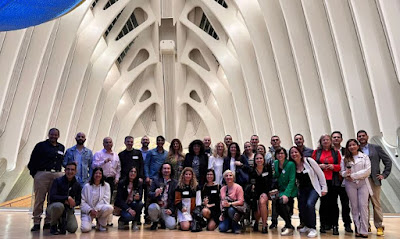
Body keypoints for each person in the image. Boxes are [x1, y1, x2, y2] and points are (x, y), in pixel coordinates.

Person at [28, 128, 65, 231]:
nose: (53, 136)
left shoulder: (61, 147)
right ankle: (36, 221)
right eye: (52, 134)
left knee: (52, 199)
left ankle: (48, 221)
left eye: (56, 135)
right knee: (39, 199)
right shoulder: (40, 146)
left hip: (56, 175)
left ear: (58, 136)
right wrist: (36, 174)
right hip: (42, 174)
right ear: (48, 134)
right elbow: (32, 160)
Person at [357, 130, 391, 236]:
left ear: (367, 136)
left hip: (374, 180)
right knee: (363, 205)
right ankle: (365, 225)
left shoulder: (376, 148)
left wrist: (384, 174)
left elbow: (388, 161)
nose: (361, 137)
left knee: (376, 204)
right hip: (361, 180)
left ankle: (379, 226)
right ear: (357, 138)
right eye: (359, 136)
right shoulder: (355, 149)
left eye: (363, 135)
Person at [290, 146, 327, 238]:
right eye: (292, 153)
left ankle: (313, 228)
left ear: (300, 153)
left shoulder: (309, 161)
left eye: (296, 152)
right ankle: (306, 225)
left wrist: (324, 188)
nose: (294, 154)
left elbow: (320, 174)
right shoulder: (292, 165)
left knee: (310, 204)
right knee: (302, 206)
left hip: (313, 188)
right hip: (302, 189)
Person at [341, 139, 372, 238]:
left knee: (363, 206)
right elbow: (342, 172)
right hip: (350, 184)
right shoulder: (344, 158)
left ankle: (364, 230)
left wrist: (353, 176)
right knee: (354, 207)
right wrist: (346, 173)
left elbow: (367, 171)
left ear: (358, 146)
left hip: (363, 183)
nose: (352, 147)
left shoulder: (364, 157)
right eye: (349, 145)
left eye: (354, 145)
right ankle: (358, 229)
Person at [312, 134, 341, 235]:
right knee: (323, 203)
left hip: (333, 181)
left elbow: (340, 166)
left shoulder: (336, 152)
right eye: (323, 140)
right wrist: (319, 166)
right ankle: (323, 225)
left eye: (327, 139)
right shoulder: (316, 152)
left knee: (333, 204)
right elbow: (312, 165)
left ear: (330, 141)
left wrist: (333, 166)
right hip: (321, 182)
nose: (325, 141)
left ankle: (335, 225)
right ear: (321, 142)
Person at [46, 162, 81, 235]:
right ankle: (53, 225)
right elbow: (52, 196)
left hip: (68, 209)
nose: (70, 172)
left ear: (75, 171)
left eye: (72, 170)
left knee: (73, 228)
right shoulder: (57, 181)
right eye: (68, 169)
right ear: (64, 171)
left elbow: (78, 200)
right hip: (54, 207)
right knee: (58, 206)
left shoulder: (77, 184)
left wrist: (74, 203)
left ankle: (61, 222)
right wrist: (67, 198)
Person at [92, 137, 121, 226]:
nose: (108, 144)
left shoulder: (116, 155)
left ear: (112, 143)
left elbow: (118, 168)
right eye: (106, 142)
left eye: (110, 142)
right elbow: (93, 165)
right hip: (100, 179)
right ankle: (94, 219)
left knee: (108, 199)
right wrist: (103, 162)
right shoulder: (98, 154)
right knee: (97, 199)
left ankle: (107, 220)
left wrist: (117, 178)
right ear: (103, 144)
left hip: (111, 180)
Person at [331, 131, 353, 233]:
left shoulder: (347, 151)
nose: (336, 139)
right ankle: (334, 225)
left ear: (341, 139)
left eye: (338, 137)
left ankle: (347, 224)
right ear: (331, 139)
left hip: (345, 181)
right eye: (334, 137)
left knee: (345, 204)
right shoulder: (329, 151)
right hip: (332, 181)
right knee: (333, 205)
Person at [80, 167, 113, 232]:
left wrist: (96, 210)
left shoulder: (106, 186)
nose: (98, 175)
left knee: (109, 208)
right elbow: (82, 202)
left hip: (99, 210)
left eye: (100, 173)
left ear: (102, 175)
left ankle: (101, 223)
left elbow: (106, 200)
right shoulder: (86, 186)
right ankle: (90, 223)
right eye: (96, 173)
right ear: (93, 174)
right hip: (88, 212)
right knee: (85, 229)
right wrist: (90, 210)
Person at [273, 147, 297, 236]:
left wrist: (286, 194)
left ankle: (289, 226)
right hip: (280, 190)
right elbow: (275, 176)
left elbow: (292, 180)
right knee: (277, 207)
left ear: (285, 155)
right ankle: (289, 224)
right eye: (278, 153)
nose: (280, 155)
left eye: (282, 153)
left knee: (281, 202)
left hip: (290, 190)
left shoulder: (291, 164)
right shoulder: (275, 163)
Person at [148, 162, 178, 230]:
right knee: (152, 207)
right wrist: (155, 194)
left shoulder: (175, 183)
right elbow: (149, 194)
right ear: (161, 170)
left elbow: (175, 199)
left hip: (167, 209)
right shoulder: (155, 180)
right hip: (157, 207)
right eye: (164, 168)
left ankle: (162, 221)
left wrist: (171, 209)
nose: (166, 170)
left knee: (172, 226)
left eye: (168, 169)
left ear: (171, 170)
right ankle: (155, 222)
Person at [249, 153, 273, 234]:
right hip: (255, 193)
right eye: (257, 158)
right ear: (254, 160)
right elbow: (250, 182)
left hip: (265, 191)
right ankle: (256, 221)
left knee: (262, 202)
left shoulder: (268, 169)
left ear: (264, 159)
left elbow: (271, 181)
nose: (259, 160)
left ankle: (264, 225)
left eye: (260, 158)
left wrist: (269, 192)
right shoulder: (251, 170)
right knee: (258, 212)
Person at [218, 170, 244, 234]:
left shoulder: (238, 187)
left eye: (230, 175)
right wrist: (222, 214)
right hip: (226, 212)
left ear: (233, 177)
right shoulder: (222, 189)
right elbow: (221, 202)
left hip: (236, 211)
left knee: (231, 210)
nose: (228, 177)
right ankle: (231, 224)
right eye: (226, 176)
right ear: (224, 178)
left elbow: (241, 202)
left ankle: (236, 226)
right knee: (222, 228)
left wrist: (230, 204)